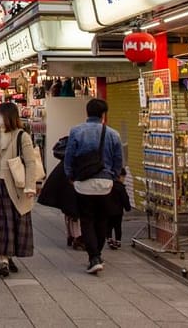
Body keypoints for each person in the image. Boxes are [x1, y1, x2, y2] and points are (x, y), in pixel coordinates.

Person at [63, 98, 124, 274]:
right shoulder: (113, 134)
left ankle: (94, 256)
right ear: (104, 114)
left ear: (87, 113)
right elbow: (118, 160)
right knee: (102, 220)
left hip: (83, 183)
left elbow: (69, 156)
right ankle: (97, 253)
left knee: (87, 220)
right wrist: (114, 176)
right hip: (105, 183)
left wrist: (70, 176)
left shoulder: (76, 131)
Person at [0, 102, 38, 277]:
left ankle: (10, 255)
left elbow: (30, 163)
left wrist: (31, 186)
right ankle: (3, 260)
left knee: (16, 223)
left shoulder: (22, 136)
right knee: (0, 224)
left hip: (16, 186)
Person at [106, 168, 132, 249]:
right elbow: (125, 198)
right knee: (118, 226)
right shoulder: (121, 187)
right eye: (123, 177)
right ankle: (118, 241)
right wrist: (127, 207)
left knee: (109, 225)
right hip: (118, 211)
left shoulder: (108, 185)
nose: (124, 179)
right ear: (120, 176)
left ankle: (109, 239)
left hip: (108, 210)